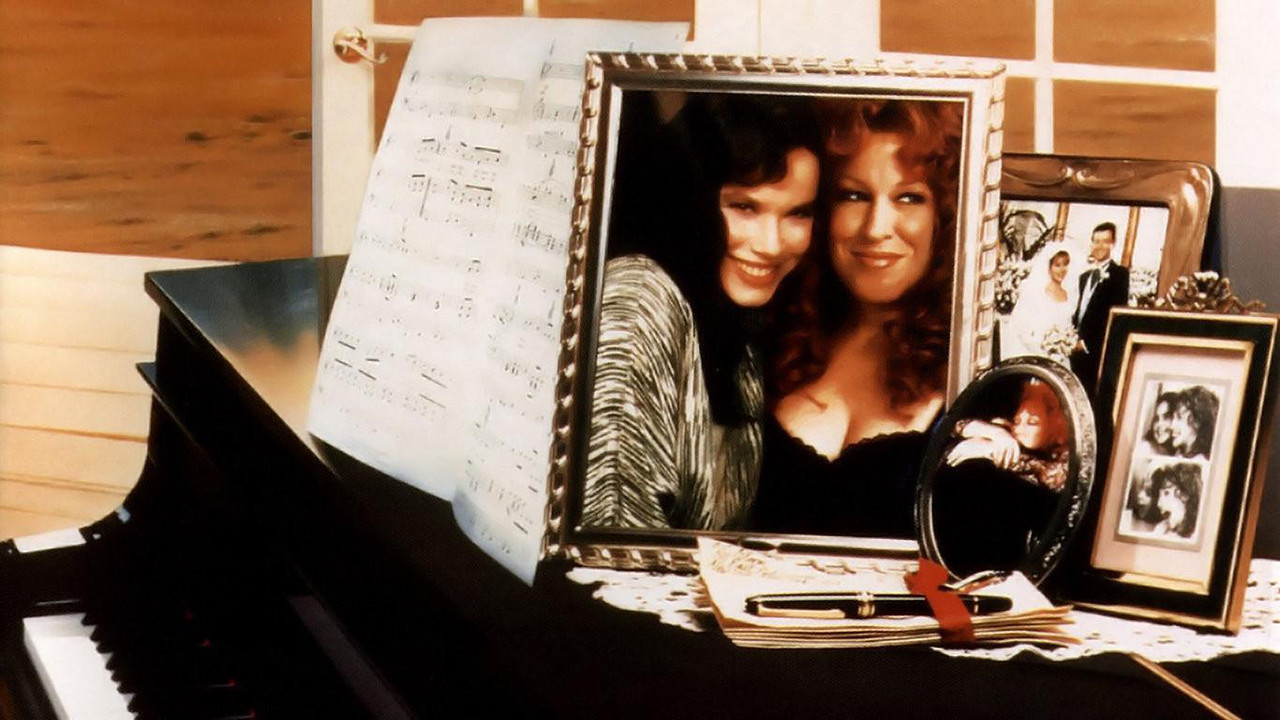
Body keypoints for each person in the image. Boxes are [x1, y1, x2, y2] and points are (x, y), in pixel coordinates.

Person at [580, 93, 822, 530]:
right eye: (744, 207)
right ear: (692, 196)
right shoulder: (639, 299)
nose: (771, 244)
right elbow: (613, 538)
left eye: (797, 214)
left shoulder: (736, 329)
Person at [750, 98, 961, 538]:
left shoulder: (969, 372)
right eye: (854, 195)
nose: (875, 227)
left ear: (945, 218)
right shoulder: (768, 343)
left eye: (909, 197)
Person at [945, 378, 1070, 492]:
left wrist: (991, 450)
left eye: (1032, 422)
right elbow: (953, 427)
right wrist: (993, 432)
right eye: (1017, 421)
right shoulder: (1009, 432)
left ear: (1054, 424)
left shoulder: (1067, 455)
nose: (1019, 428)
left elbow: (1052, 477)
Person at [1069, 222, 1130, 386]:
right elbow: (1080, 312)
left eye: (1105, 241)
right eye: (1096, 241)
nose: (1100, 246)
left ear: (1113, 244)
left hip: (1098, 353)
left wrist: (1086, 343)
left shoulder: (1120, 275)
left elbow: (1115, 316)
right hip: (1074, 350)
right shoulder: (1084, 277)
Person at [1004, 248, 1077, 363]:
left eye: (1065, 264)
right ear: (1049, 267)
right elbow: (1021, 328)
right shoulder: (1036, 292)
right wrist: (1043, 348)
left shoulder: (1069, 294)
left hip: (1061, 358)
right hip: (1037, 354)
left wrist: (1065, 344)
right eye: (1057, 265)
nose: (1062, 270)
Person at [1148, 462, 1202, 539]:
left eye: (1166, 493)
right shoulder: (1161, 529)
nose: (1159, 503)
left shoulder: (1197, 534)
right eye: (1159, 495)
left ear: (1185, 495)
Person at [1167, 385, 1219, 459]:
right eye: (1173, 417)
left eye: (1179, 417)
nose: (1171, 426)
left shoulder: (1201, 460)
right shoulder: (1178, 454)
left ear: (1197, 422)